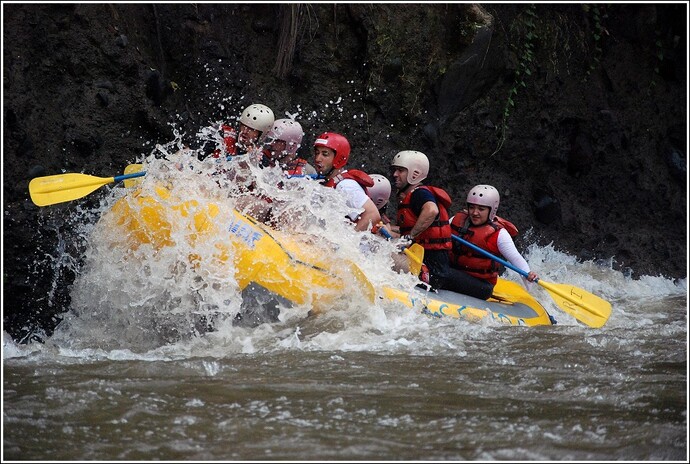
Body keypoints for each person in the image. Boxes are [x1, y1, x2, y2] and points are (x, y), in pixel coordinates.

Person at [379, 150, 457, 291]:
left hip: (431, 271)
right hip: (423, 264)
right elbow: (405, 232)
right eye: (395, 170)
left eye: (400, 170)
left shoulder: (420, 193)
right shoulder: (413, 195)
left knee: (378, 252)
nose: (395, 174)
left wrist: (411, 236)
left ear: (415, 174)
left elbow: (431, 210)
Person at [449, 184, 538, 298]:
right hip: (455, 272)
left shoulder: (499, 234)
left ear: (491, 210)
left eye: (481, 209)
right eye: (472, 207)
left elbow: (516, 259)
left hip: (481, 285)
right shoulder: (456, 220)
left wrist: (528, 275)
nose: (475, 213)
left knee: (442, 273)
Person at [312, 132, 381, 232]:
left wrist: (348, 240)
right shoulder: (328, 182)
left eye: (325, 154)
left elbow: (373, 214)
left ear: (338, 158)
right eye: (317, 153)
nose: (318, 159)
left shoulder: (346, 186)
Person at [210, 103, 275, 159]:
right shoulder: (222, 136)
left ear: (261, 135)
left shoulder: (260, 158)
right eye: (244, 126)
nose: (245, 131)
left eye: (251, 129)